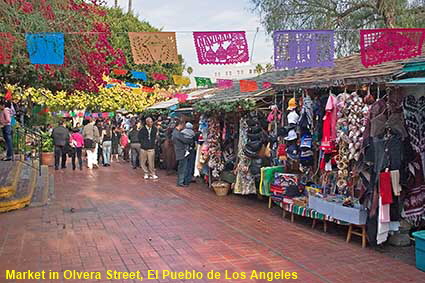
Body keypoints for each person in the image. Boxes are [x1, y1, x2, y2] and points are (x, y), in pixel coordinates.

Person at [172, 121, 194, 187]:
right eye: (182, 125)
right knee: (182, 168)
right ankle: (180, 182)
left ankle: (181, 181)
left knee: (182, 167)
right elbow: (185, 140)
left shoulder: (176, 132)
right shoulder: (177, 133)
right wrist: (192, 140)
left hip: (180, 152)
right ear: (180, 125)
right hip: (181, 152)